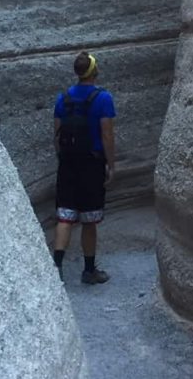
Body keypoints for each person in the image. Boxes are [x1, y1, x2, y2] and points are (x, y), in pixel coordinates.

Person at [52, 51, 115, 284]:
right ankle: (89, 271)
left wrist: (63, 159)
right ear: (94, 71)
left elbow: (56, 135)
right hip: (91, 164)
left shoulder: (63, 98)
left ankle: (55, 268)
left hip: (68, 163)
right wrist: (111, 164)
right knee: (89, 219)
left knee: (65, 216)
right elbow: (107, 135)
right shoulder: (103, 98)